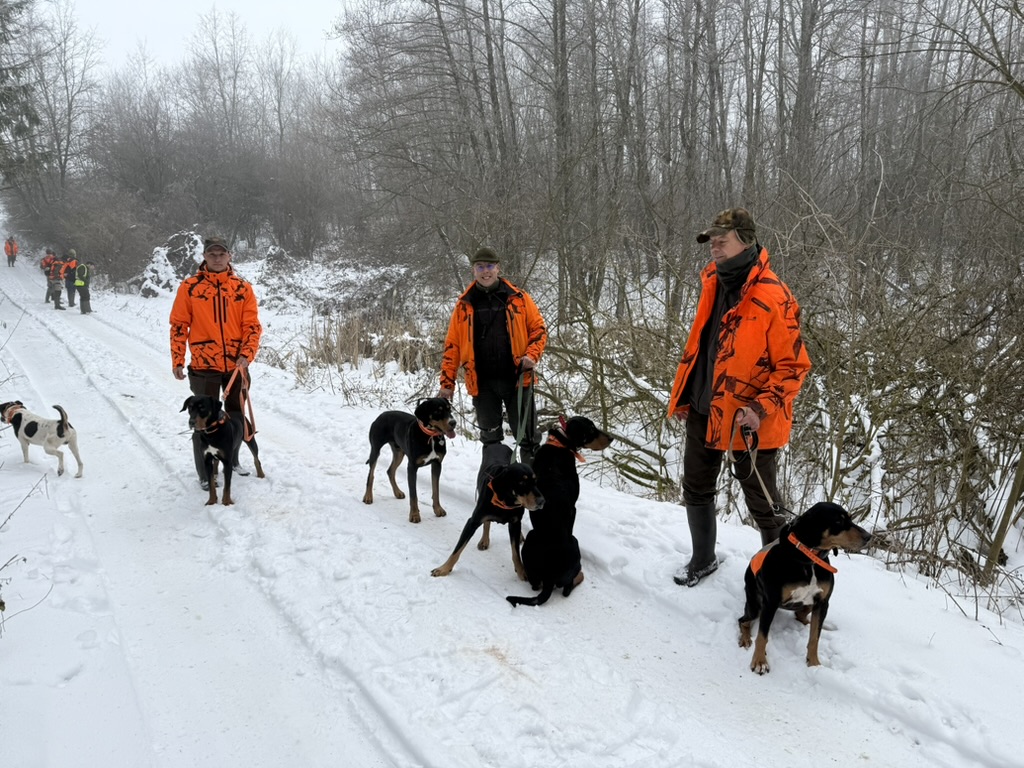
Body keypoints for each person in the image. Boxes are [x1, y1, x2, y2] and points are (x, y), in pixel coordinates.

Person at [667, 208, 812, 587]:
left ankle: (780, 578)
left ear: (745, 241)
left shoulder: (773, 295)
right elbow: (702, 345)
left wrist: (759, 408)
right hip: (704, 405)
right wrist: (685, 395)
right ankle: (702, 559)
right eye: (711, 239)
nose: (713, 245)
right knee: (696, 487)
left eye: (722, 239)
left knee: (763, 505)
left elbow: (793, 367)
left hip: (750, 417)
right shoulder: (712, 281)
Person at [438, 246, 547, 465]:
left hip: (518, 380)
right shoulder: (463, 305)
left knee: (527, 438)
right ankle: (493, 486)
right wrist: (447, 383)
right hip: (482, 383)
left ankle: (531, 489)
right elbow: (453, 347)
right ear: (473, 270)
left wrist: (531, 356)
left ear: (498, 268)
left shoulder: (519, 298)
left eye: (489, 266)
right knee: (490, 439)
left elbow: (539, 330)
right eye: (480, 267)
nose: (485, 271)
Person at [170, 235, 262, 489]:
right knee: (204, 420)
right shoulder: (190, 287)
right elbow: (179, 325)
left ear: (230, 256)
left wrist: (247, 355)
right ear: (205, 257)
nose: (217, 258)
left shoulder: (243, 288)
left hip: (236, 366)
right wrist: (178, 358)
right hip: (203, 367)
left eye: (222, 254)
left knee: (235, 417)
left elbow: (252, 326)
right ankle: (205, 473)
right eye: (212, 254)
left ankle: (231, 460)